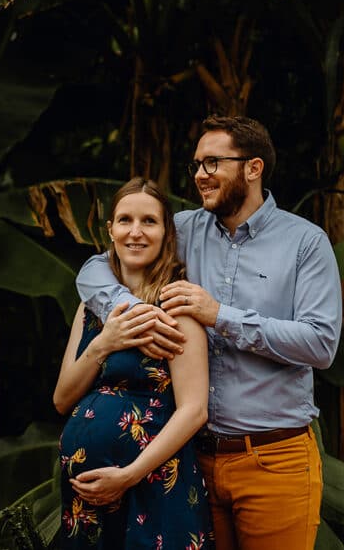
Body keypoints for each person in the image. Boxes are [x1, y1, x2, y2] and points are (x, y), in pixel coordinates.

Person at [77, 115, 342, 550]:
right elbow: (95, 268)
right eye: (197, 164)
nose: (200, 175)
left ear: (253, 168)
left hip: (274, 459)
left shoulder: (305, 243)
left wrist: (220, 315)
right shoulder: (183, 229)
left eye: (213, 163)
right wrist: (131, 314)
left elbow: (320, 343)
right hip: (191, 462)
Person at [55, 177, 213, 549]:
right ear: (110, 230)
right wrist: (104, 344)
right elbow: (62, 399)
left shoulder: (177, 308)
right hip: (87, 501)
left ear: (166, 232)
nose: (136, 232)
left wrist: (127, 476)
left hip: (152, 485)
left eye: (149, 221)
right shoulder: (92, 307)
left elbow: (195, 410)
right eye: (125, 220)